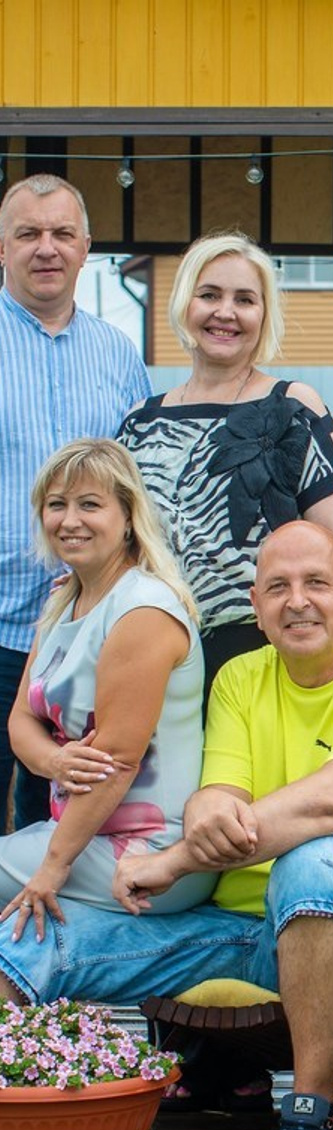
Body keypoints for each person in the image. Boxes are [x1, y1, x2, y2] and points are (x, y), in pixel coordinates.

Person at [0, 522, 333, 1130]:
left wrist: (177, 859)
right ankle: (21, 1096)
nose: (297, 601)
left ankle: (310, 1119)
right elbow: (217, 795)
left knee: (313, 857)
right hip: (232, 934)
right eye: (278, 588)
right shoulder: (241, 677)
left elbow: (330, 805)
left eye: (317, 584)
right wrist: (208, 815)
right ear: (256, 605)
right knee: (27, 932)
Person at [116, 230, 333, 695]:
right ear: (184, 304)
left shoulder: (292, 407)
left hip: (263, 651)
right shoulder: (140, 421)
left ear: (264, 313)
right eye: (209, 295)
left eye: (245, 299)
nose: (226, 312)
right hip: (153, 649)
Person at [0, 439, 208, 935]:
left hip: (147, 855)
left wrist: (50, 869)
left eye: (89, 504)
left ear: (129, 515)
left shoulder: (142, 610)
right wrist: (53, 762)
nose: (70, 520)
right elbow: (19, 721)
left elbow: (116, 762)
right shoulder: (63, 599)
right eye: (57, 505)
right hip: (76, 836)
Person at [0, 174, 151, 832]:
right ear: (1, 246)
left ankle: (39, 937)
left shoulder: (118, 355)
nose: (46, 248)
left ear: (86, 247)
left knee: (62, 813)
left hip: (86, 633)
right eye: (28, 233)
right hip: (0, 624)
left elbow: (139, 488)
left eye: (62, 233)